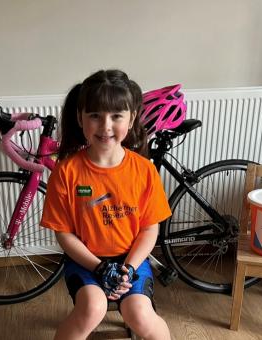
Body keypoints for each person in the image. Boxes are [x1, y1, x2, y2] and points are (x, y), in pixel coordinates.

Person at [40, 69, 172, 340]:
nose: (106, 126)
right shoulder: (66, 172)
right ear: (80, 118)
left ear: (132, 117)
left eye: (116, 116)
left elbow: (150, 229)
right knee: (92, 308)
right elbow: (63, 233)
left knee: (140, 315)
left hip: (131, 261)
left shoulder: (144, 170)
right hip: (85, 263)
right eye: (95, 115)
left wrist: (129, 269)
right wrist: (98, 267)